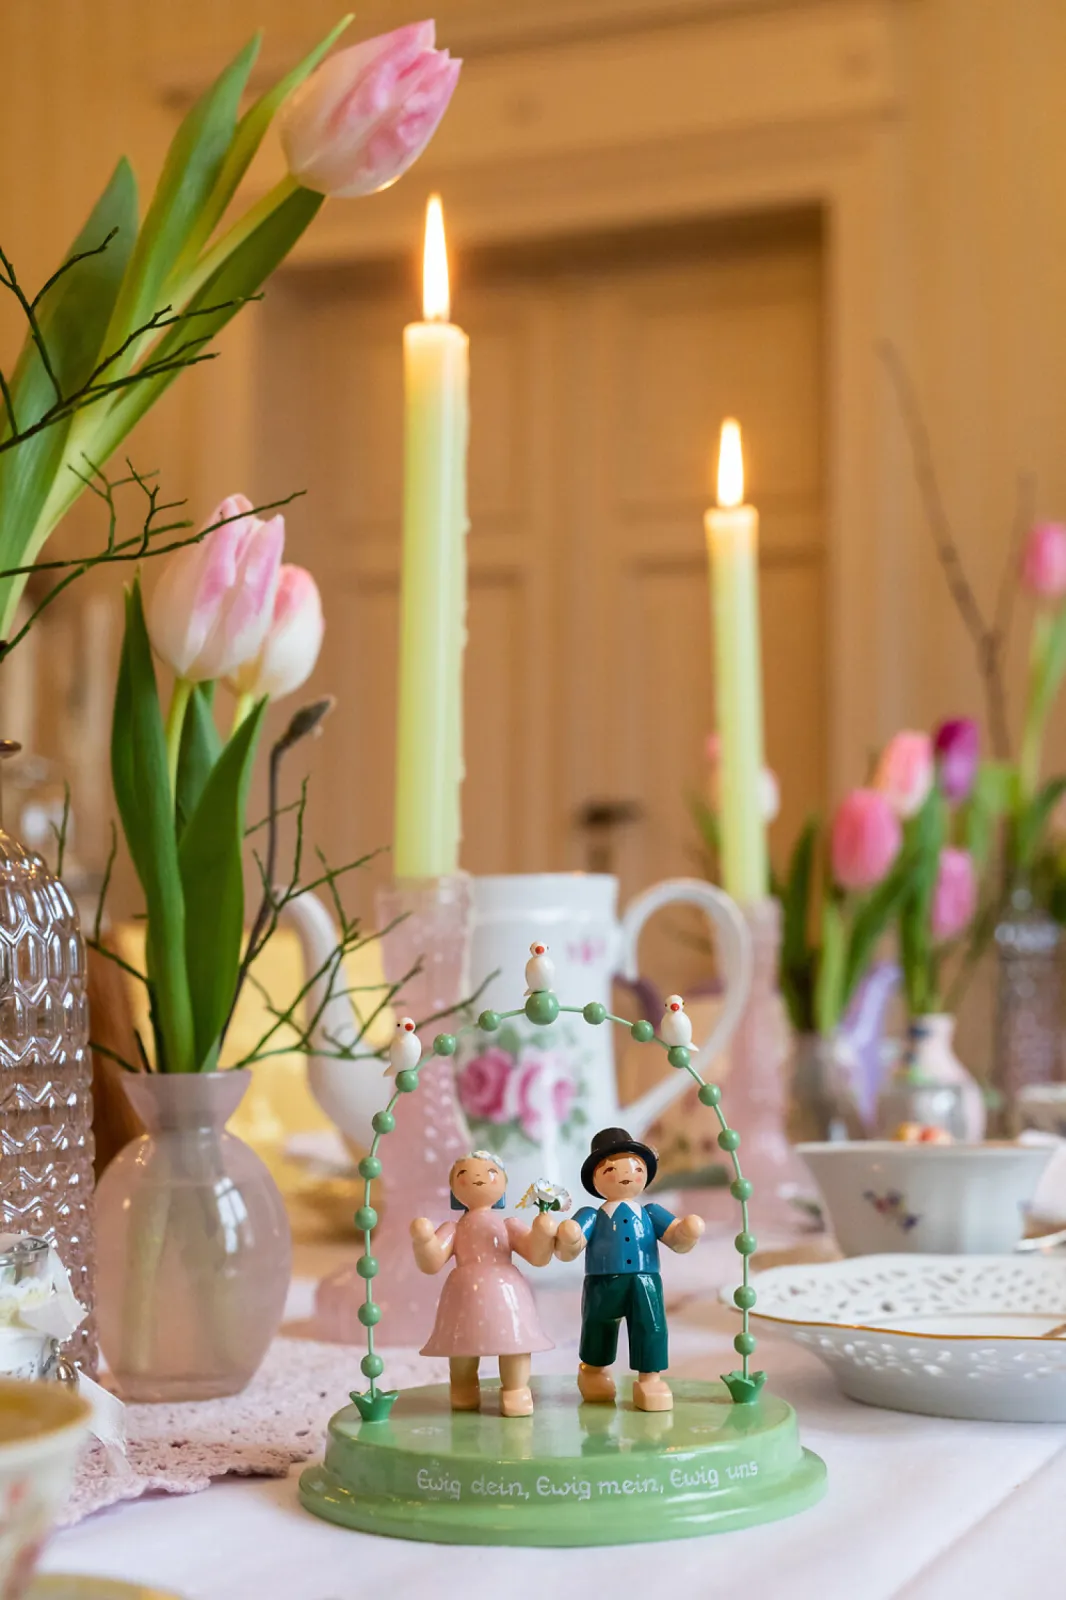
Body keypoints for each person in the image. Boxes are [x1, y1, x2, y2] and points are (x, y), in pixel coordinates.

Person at [555, 1126, 704, 1412]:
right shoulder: (591, 1215)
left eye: (634, 1167)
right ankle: (593, 1373)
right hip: (602, 1282)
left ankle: (650, 1380)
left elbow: (675, 1236)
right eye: (610, 1170)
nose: (623, 1174)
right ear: (595, 1179)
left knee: (651, 1327)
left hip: (644, 1281)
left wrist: (686, 1231)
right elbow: (571, 1242)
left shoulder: (651, 1213)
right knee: (597, 1326)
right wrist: (570, 1235)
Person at [411, 1149, 558, 1416]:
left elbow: (537, 1255)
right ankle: (464, 1387)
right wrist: (424, 1241)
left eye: (490, 1173)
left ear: (503, 1182)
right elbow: (432, 1262)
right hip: (463, 1294)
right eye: (465, 1174)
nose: (478, 1178)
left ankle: (515, 1389)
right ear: (454, 1187)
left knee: (516, 1343)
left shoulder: (508, 1225)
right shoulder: (453, 1228)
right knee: (462, 1346)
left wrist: (542, 1231)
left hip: (508, 1293)